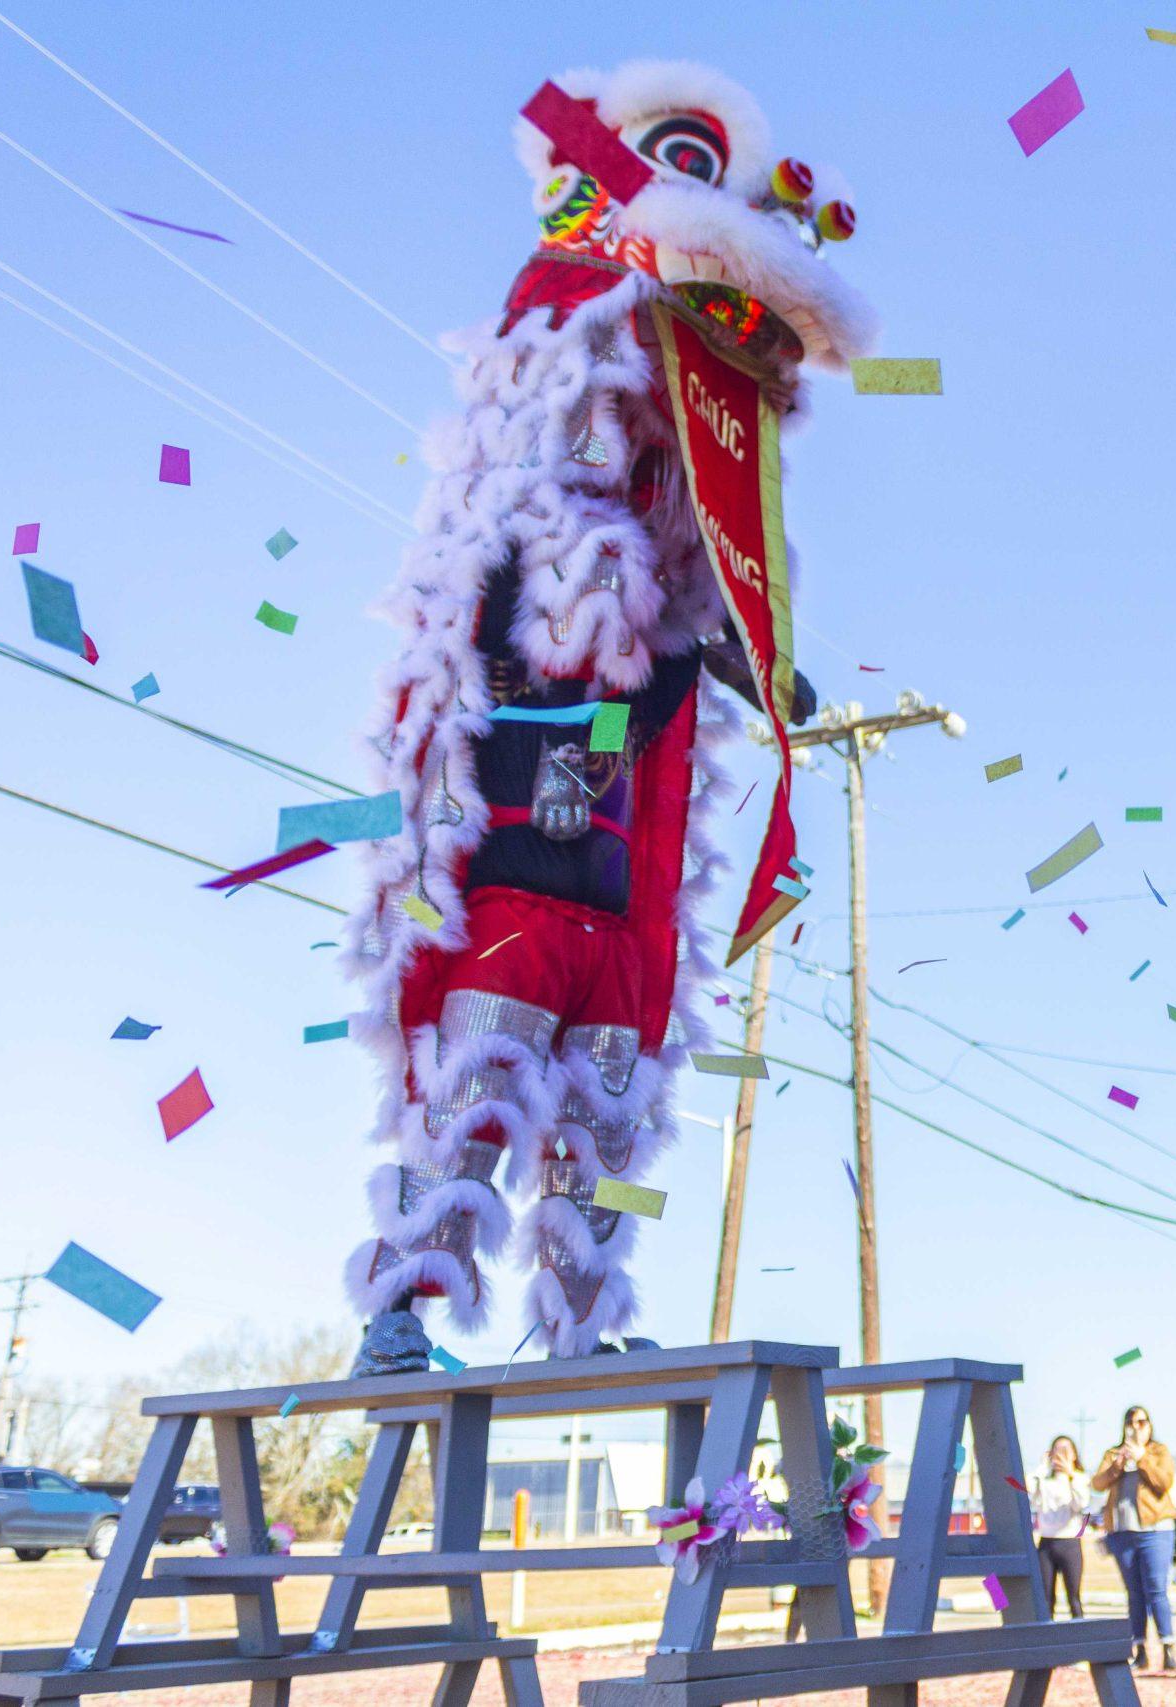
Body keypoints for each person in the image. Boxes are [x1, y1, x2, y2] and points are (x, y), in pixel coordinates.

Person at [340, 56, 848, 1375]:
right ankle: (401, 1306)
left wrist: (746, 657)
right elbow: (534, 546)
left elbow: (689, 576)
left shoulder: (660, 506)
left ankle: (580, 1316)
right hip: (535, 727)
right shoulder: (562, 324)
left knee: (618, 1023)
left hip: (618, 743)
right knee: (504, 988)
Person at [1092, 1405, 1176, 1670]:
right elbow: (1097, 1483)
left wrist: (1142, 1458)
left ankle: (1168, 1647)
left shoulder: (1158, 1451)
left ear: (1150, 1425)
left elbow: (1164, 1483)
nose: (1136, 1426)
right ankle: (1139, 1650)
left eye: (1141, 1422)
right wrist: (1117, 1466)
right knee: (1134, 1593)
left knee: (1156, 1589)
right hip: (1123, 1532)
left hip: (1156, 1531)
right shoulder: (1113, 1453)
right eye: (1131, 1422)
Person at [1031, 1435, 1090, 1619]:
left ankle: (1080, 1640)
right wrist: (1042, 1467)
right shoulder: (1044, 1480)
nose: (1061, 1455)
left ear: (1074, 1454)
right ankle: (1046, 1639)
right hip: (1047, 1543)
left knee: (1074, 1597)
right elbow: (1030, 1494)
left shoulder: (1080, 1478)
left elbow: (1082, 1503)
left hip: (1070, 1542)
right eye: (1057, 1450)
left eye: (1066, 1450)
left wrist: (1071, 1475)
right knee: (1046, 1597)